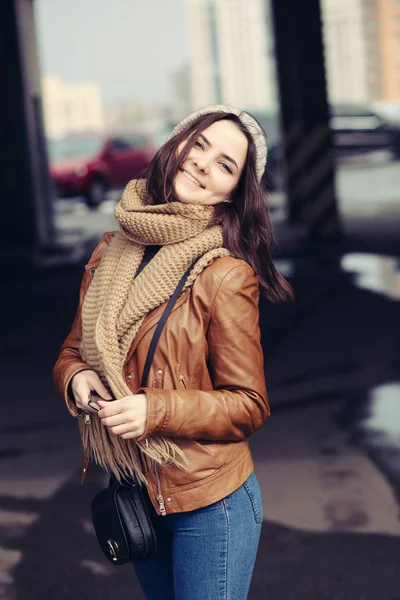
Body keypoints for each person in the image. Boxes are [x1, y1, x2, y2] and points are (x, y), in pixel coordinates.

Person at [53, 104, 292, 600]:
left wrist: (154, 410)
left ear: (233, 192)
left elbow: (250, 403)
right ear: (176, 145)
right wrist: (76, 378)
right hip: (138, 490)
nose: (204, 164)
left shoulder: (224, 274)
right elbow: (72, 351)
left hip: (211, 503)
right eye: (200, 145)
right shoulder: (109, 252)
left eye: (226, 165)